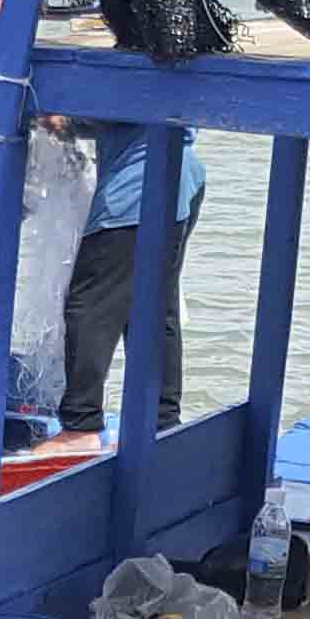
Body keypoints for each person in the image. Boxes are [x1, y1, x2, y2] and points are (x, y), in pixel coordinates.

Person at [59, 123, 205, 437]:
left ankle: (79, 428)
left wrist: (68, 118)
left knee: (90, 307)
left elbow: (117, 105)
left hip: (137, 188)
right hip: (181, 176)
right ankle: (162, 423)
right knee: (152, 309)